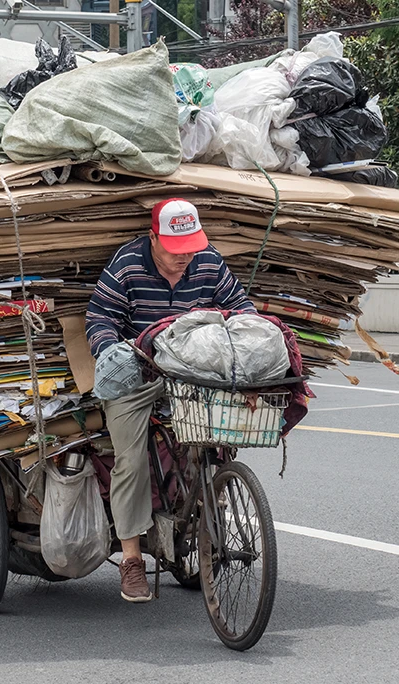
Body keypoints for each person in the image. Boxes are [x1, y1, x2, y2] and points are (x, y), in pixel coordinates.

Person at [85, 198, 257, 603]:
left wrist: (250, 353)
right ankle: (131, 559)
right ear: (153, 238)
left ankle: (204, 515)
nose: (184, 258)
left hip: (194, 373)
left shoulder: (209, 263)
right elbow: (99, 318)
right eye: (175, 250)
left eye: (190, 249)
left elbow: (242, 309)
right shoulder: (127, 264)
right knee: (130, 458)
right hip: (140, 374)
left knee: (219, 440)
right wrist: (114, 353)